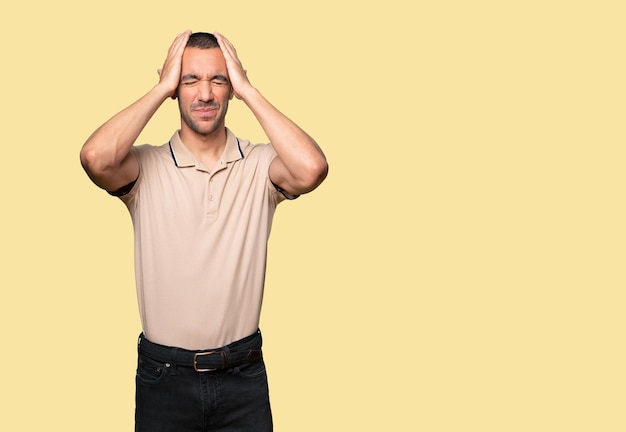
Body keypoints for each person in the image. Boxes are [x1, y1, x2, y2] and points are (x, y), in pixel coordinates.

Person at [80, 30, 328, 432]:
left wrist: (249, 89)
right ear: (176, 89)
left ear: (231, 89)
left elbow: (312, 168)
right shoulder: (145, 168)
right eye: (190, 79)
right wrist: (161, 87)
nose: (205, 94)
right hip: (164, 379)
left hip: (241, 377)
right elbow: (95, 158)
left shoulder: (259, 165)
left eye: (218, 79)